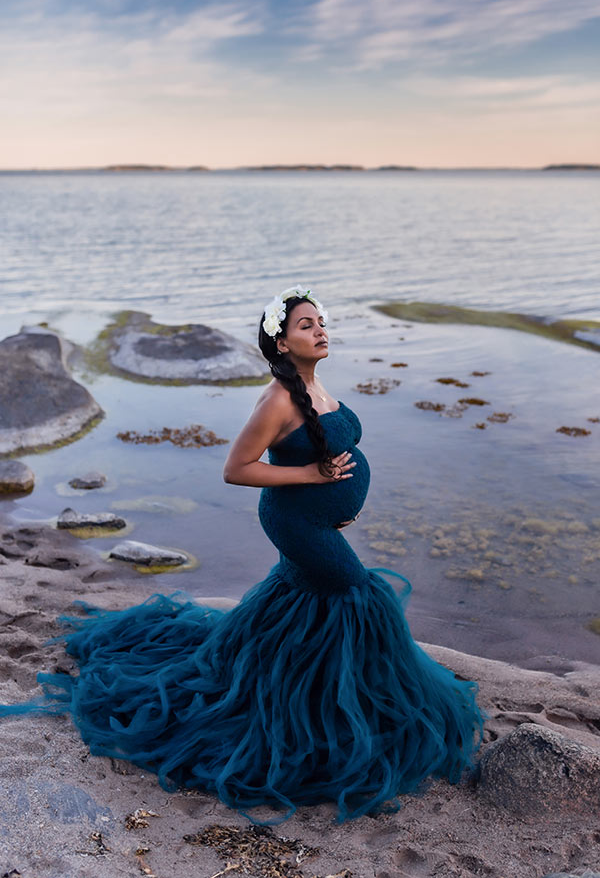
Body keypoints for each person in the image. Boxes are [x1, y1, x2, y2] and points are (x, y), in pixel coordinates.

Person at [0, 286, 486, 825]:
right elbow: (236, 469)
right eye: (307, 325)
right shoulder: (277, 399)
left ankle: (318, 696)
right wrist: (309, 478)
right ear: (281, 341)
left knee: (302, 606)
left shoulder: (313, 383)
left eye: (322, 322)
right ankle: (338, 716)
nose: (321, 330)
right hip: (294, 523)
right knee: (355, 593)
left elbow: (333, 453)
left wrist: (333, 506)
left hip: (313, 520)